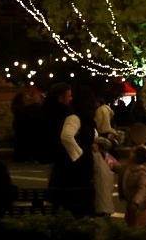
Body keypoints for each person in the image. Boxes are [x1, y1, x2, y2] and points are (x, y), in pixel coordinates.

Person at [48, 86, 96, 217]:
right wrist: (79, 155)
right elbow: (66, 136)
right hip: (73, 170)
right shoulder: (74, 117)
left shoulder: (84, 118)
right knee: (73, 203)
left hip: (79, 167)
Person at [122, 146, 146, 228]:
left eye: (133, 152)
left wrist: (136, 202)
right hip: (133, 201)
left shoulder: (142, 172)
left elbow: (143, 188)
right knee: (130, 223)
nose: (130, 153)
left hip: (142, 204)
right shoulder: (131, 167)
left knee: (139, 225)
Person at [91, 136, 117, 217]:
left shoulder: (103, 154)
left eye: (95, 143)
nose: (93, 145)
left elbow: (107, 143)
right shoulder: (91, 155)